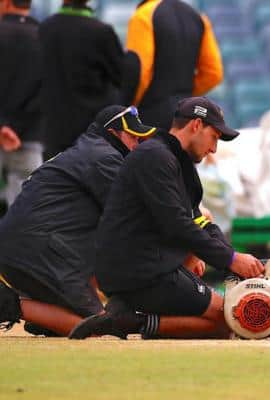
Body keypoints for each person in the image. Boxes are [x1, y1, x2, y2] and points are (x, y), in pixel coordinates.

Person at [69, 97, 264, 340]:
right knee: (232, 319)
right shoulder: (155, 157)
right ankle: (129, 321)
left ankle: (127, 311)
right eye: (214, 137)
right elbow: (177, 225)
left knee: (231, 317)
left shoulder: (176, 161)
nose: (214, 149)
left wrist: (236, 258)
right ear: (195, 125)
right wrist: (231, 259)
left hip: (146, 266)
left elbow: (200, 223)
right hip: (140, 271)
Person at [0, 105, 156, 337]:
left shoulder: (90, 151)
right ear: (114, 133)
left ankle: (49, 318)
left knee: (97, 318)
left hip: (28, 248)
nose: (137, 144)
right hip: (40, 252)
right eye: (133, 137)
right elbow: (138, 217)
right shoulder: (104, 158)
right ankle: (7, 303)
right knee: (98, 328)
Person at [38, 0, 124, 160]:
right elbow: (122, 77)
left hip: (53, 128)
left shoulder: (44, 29)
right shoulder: (101, 32)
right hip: (90, 130)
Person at [123, 0, 223, 129]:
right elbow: (214, 73)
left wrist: (130, 105)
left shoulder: (143, 16)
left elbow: (140, 72)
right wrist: (184, 95)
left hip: (150, 114)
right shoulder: (198, 17)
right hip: (186, 116)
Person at [0, 0, 43, 207]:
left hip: (5, 132)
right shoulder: (44, 38)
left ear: (6, 3)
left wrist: (3, 126)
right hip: (29, 137)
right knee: (22, 211)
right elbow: (46, 92)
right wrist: (15, 127)